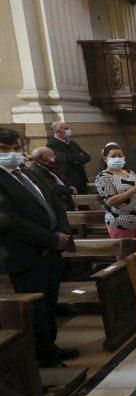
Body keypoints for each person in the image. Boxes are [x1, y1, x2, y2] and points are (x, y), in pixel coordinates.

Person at [0, 127, 77, 367]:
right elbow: (11, 222)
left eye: (15, 148)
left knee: (50, 302)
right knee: (36, 308)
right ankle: (43, 356)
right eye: (4, 150)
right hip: (28, 253)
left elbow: (53, 200)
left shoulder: (25, 173)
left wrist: (63, 231)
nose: (13, 153)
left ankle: (51, 345)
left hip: (51, 250)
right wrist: (51, 239)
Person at [95, 145, 136, 252]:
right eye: (113, 156)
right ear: (105, 158)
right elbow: (110, 200)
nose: (117, 158)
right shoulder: (103, 177)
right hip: (121, 222)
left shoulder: (131, 173)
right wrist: (135, 189)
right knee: (126, 257)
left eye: (120, 156)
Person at [47, 121, 91, 194]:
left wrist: (75, 159)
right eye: (66, 128)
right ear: (58, 131)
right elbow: (64, 158)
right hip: (69, 179)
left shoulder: (72, 143)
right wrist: (79, 156)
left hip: (81, 177)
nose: (69, 130)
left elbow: (87, 157)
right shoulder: (52, 144)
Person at [27, 147, 77, 211]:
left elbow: (61, 177)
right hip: (57, 203)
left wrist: (69, 185)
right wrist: (70, 190)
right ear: (45, 158)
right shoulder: (35, 170)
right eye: (52, 155)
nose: (55, 157)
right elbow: (51, 187)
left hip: (64, 200)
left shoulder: (49, 166)